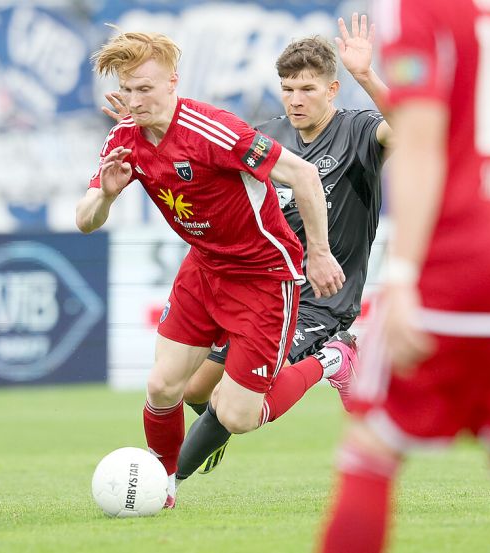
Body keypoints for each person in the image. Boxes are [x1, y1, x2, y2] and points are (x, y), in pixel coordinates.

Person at [79, 30, 346, 509]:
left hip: (263, 277)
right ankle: (163, 486)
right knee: (162, 386)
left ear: (172, 83)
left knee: (238, 415)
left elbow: (303, 175)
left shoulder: (213, 130)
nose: (136, 101)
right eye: (128, 90)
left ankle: (330, 360)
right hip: (203, 270)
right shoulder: (124, 138)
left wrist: (320, 253)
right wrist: (107, 195)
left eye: (146, 88)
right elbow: (84, 220)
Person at [319, 0, 490, 551]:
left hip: (457, 268)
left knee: (374, 446)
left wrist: (405, 275)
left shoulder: (421, 7)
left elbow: (419, 142)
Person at [168, 14, 393, 482]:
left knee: (233, 408)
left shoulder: (360, 132)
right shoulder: (268, 137)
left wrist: (367, 75)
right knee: (193, 388)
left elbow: (413, 128)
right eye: (288, 88)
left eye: (307, 89)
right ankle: (209, 434)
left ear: (332, 90)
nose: (295, 99)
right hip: (261, 291)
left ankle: (163, 482)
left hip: (321, 300)